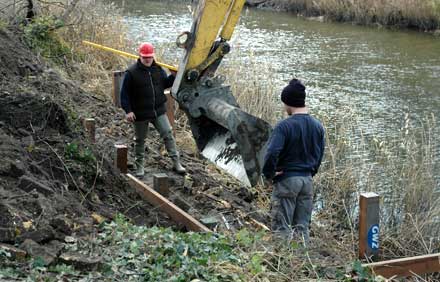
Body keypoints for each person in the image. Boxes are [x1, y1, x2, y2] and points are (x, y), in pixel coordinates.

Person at [262, 78, 325, 244]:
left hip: (287, 180)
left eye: (284, 103)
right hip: (307, 182)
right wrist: (310, 173)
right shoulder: (317, 126)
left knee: (281, 227)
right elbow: (319, 155)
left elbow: (272, 152)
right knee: (302, 228)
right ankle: (302, 263)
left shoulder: (284, 126)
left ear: (289, 102)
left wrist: (269, 173)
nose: (284, 107)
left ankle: (281, 263)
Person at [120, 42, 186, 177]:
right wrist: (128, 111)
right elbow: (124, 95)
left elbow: (165, 84)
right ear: (140, 56)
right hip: (140, 113)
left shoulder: (158, 69)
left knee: (168, 134)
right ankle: (139, 167)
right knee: (140, 140)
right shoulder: (131, 73)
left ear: (153, 56)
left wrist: (174, 76)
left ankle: (176, 163)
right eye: (145, 57)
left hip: (158, 111)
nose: (148, 60)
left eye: (150, 57)